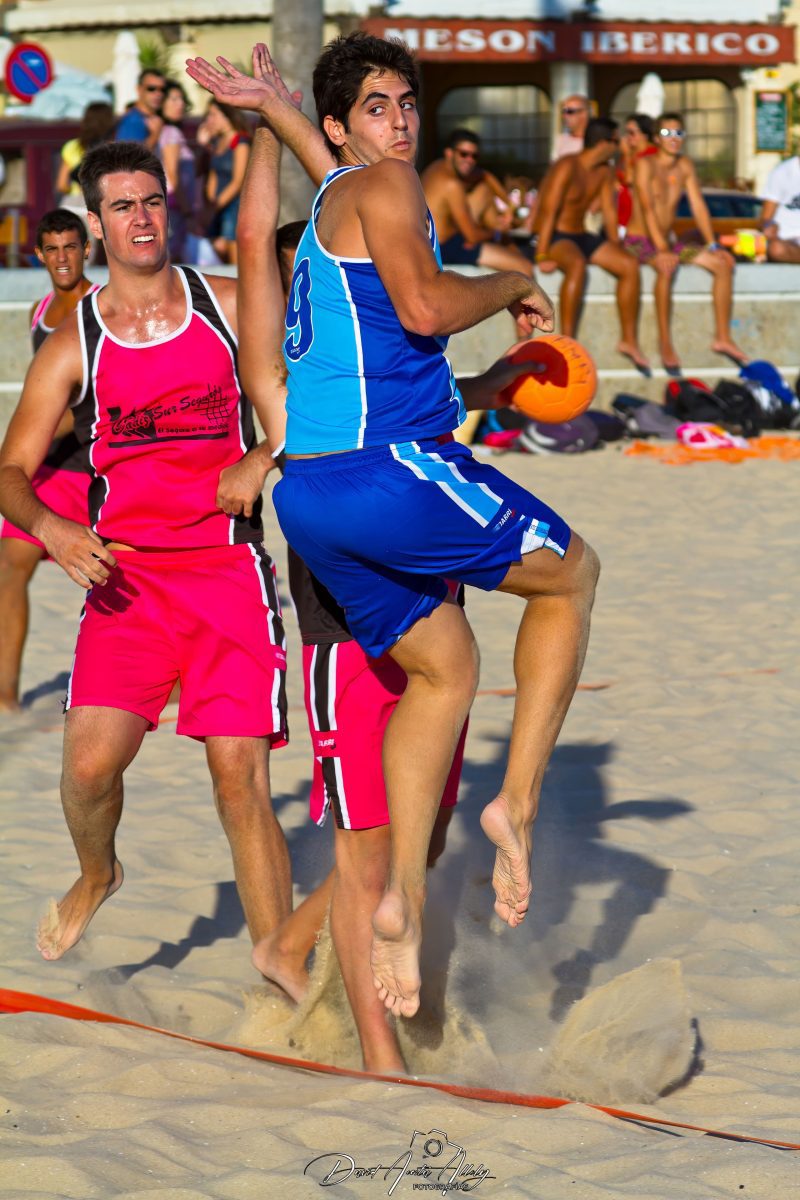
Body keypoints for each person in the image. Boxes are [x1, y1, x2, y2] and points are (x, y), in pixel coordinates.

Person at [187, 35, 599, 1021]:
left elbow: (384, 339)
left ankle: (402, 910)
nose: (401, 119)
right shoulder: (383, 189)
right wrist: (510, 282)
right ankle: (519, 801)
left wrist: (271, 108)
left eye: (406, 102)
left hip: (316, 502)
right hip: (389, 474)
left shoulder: (334, 201)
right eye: (378, 105)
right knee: (574, 576)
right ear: (346, 129)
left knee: (445, 668)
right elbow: (425, 305)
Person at [235, 122, 540, 1067]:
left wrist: (509, 381)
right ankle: (381, 1061)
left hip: (427, 609)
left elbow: (444, 388)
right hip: (343, 633)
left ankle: (289, 944)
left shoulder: (383, 372)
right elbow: (255, 242)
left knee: (426, 838)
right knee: (367, 849)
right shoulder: (289, 379)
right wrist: (262, 128)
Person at [0, 141, 292, 965]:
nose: (142, 217)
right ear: (94, 225)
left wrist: (263, 452)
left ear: (172, 208)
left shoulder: (227, 304)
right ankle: (99, 874)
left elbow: (317, 396)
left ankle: (279, 972)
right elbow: (11, 471)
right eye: (122, 205)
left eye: (153, 201)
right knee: (89, 772)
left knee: (239, 779)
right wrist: (53, 529)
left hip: (227, 573)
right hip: (125, 581)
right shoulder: (74, 342)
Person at [0, 210, 95, 713]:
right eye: (52, 249)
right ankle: (5, 697)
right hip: (46, 473)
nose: (62, 257)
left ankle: (168, 683)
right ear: (39, 255)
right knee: (10, 569)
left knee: (124, 577)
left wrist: (28, 438)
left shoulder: (101, 309)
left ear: (87, 251)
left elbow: (85, 400)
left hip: (94, 469)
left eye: (70, 247)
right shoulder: (38, 313)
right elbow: (42, 399)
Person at [624, 112, 748, 374]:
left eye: (679, 133)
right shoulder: (646, 165)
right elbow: (646, 208)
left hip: (666, 241)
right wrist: (662, 249)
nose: (673, 139)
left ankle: (723, 337)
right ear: (657, 138)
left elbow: (699, 206)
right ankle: (665, 342)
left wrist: (713, 245)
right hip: (638, 241)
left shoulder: (685, 167)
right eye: (667, 133)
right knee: (666, 268)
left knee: (722, 265)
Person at [534, 117, 651, 375]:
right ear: (602, 143)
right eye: (615, 140)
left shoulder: (605, 170)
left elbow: (609, 212)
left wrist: (616, 245)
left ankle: (629, 340)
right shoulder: (567, 166)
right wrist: (541, 254)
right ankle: (567, 340)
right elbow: (548, 211)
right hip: (558, 236)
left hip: (583, 236)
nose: (619, 144)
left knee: (629, 265)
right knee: (576, 265)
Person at [420, 128, 533, 275]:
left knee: (484, 190)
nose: (470, 160)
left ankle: (507, 238)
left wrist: (510, 205)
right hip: (443, 248)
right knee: (525, 268)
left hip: (437, 240)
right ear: (449, 153)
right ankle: (506, 237)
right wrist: (497, 232)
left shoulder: (436, 167)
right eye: (464, 154)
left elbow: (485, 176)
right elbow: (472, 237)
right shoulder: (451, 184)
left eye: (475, 156)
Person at [202, 100, 251, 264]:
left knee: (233, 261)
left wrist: (214, 207)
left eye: (213, 115)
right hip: (217, 206)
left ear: (226, 116)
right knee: (215, 253)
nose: (209, 119)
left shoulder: (240, 142)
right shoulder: (217, 142)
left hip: (233, 207)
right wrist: (210, 204)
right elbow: (212, 175)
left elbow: (238, 182)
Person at [157, 80, 197, 261]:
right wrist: (187, 209)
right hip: (176, 204)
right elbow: (172, 173)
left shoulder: (166, 131)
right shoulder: (171, 132)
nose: (179, 104)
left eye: (181, 99)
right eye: (173, 99)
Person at [56, 102, 116, 207]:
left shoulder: (71, 146)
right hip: (99, 203)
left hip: (73, 204)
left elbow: (62, 185)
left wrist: (74, 190)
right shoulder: (112, 148)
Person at [616, 113, 655, 232]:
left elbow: (630, 180)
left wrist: (627, 155)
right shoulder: (629, 154)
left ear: (645, 135)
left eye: (632, 133)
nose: (627, 137)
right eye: (626, 132)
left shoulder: (651, 155)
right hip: (621, 219)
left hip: (637, 223)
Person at [760, 152, 800, 264]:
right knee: (776, 249)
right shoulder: (782, 172)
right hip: (787, 239)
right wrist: (768, 227)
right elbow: (765, 219)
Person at [115, 70, 166, 149]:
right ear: (139, 89)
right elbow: (129, 157)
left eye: (162, 89)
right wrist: (154, 135)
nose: (158, 93)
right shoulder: (133, 121)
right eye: (151, 88)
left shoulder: (151, 118)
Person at [553, 95, 590, 160]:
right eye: (563, 111)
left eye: (569, 111)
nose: (564, 116)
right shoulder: (560, 140)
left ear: (583, 113)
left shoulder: (598, 143)